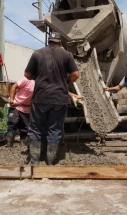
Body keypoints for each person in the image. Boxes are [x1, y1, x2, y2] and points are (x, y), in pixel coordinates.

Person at [25, 32, 79, 165]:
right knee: (54, 129)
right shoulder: (67, 55)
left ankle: (34, 161)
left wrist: (36, 78)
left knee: (36, 128)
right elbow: (76, 74)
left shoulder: (37, 53)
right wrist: (65, 82)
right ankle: (51, 161)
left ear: (48, 41)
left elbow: (27, 74)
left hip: (40, 97)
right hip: (59, 98)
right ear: (60, 42)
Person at [6, 77, 35, 147]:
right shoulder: (26, 80)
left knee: (25, 128)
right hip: (15, 106)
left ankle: (23, 146)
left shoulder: (39, 84)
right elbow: (14, 86)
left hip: (26, 108)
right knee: (13, 123)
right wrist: (12, 99)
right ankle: (9, 145)